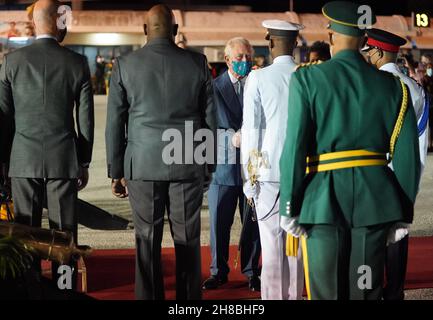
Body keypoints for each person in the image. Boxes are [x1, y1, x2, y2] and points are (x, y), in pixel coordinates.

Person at [279, 1, 421, 300]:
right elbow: (408, 157)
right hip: (375, 203)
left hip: (322, 203)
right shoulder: (395, 87)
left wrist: (290, 206)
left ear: (331, 36)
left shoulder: (307, 79)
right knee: (365, 289)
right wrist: (403, 213)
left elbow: (294, 149)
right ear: (365, 40)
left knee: (327, 291)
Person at [105, 4, 216, 300]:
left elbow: (115, 123)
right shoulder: (198, 63)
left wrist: (116, 172)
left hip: (142, 164)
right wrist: (209, 165)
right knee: (188, 239)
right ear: (175, 31)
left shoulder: (125, 65)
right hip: (186, 160)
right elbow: (210, 120)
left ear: (144, 30)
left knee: (146, 239)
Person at [0, 0, 94, 293]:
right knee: (64, 234)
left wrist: (4, 162)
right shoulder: (77, 62)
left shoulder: (12, 62)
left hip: (22, 159)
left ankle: (28, 288)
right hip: (63, 159)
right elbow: (86, 120)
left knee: (26, 231)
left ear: (36, 23)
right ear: (56, 21)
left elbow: (3, 118)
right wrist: (84, 161)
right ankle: (64, 290)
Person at [241, 19, 305, 300]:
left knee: (271, 246)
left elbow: (252, 131)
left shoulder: (258, 77)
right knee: (297, 247)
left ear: (269, 42)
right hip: (302, 171)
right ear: (296, 44)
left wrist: (249, 179)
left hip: (266, 173)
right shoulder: (307, 76)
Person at [362, 28, 428, 300]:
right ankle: (395, 293)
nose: (366, 57)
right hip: (402, 176)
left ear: (377, 52)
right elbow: (420, 141)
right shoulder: (415, 88)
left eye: (368, 52)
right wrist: (411, 181)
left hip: (372, 176)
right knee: (397, 241)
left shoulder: (371, 84)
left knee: (370, 244)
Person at [202, 37, 261, 291]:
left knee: (252, 224)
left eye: (249, 57)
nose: (245, 62)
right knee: (219, 224)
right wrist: (230, 138)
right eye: (239, 58)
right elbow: (206, 127)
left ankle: (251, 270)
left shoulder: (258, 85)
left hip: (253, 168)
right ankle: (218, 271)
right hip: (223, 167)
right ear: (227, 60)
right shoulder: (213, 88)